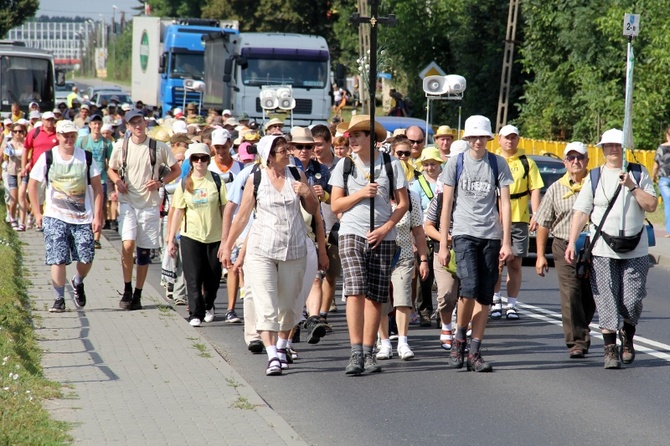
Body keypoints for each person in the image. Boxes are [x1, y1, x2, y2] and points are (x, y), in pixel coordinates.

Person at [221, 135, 319, 376]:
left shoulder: (296, 175)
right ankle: (272, 354)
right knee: (266, 302)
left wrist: (307, 192)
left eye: (288, 149)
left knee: (288, 305)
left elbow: (313, 210)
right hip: (261, 250)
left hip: (293, 249)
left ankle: (283, 346)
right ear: (269, 155)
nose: (289, 153)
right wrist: (227, 244)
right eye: (283, 150)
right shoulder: (257, 178)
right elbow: (242, 216)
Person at [565, 129, 657, 369]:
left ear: (624, 147)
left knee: (632, 299)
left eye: (617, 145)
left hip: (635, 247)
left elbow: (651, 204)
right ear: (602, 149)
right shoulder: (595, 177)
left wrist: (632, 186)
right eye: (608, 146)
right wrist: (571, 242)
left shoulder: (638, 172)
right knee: (606, 297)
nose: (613, 149)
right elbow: (581, 211)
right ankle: (610, 349)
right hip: (603, 247)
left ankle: (628, 336)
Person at [329, 114, 409, 375]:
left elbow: (403, 204)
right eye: (349, 135)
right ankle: (355, 352)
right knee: (355, 289)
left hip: (383, 236)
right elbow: (336, 204)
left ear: (371, 139)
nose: (350, 139)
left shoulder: (391, 164)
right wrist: (362, 193)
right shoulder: (344, 165)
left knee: (376, 295)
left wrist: (386, 228)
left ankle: (369, 351)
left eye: (357, 135)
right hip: (351, 232)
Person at [437, 115, 514, 373]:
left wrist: (506, 241)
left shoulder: (497, 163)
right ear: (467, 139)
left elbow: (504, 203)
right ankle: (460, 337)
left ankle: (475, 351)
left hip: (490, 235)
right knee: (467, 288)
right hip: (463, 233)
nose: (478, 141)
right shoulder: (456, 163)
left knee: (485, 294)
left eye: (482, 136)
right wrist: (443, 245)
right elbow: (446, 204)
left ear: (488, 138)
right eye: (474, 137)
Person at [107, 109, 180, 310]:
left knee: (144, 251)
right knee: (128, 244)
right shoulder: (121, 146)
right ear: (128, 127)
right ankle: (127, 287)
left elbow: (176, 170)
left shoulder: (159, 147)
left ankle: (138, 294)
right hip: (129, 201)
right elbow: (111, 169)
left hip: (149, 204)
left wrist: (160, 182)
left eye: (140, 122)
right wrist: (117, 181)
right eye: (133, 123)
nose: (138, 126)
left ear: (145, 123)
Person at [27, 120, 103, 312]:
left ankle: (78, 281)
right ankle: (59, 298)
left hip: (82, 216)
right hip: (55, 215)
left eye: (72, 136)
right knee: (58, 257)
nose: (68, 139)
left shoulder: (85, 157)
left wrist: (97, 216)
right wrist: (37, 212)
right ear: (58, 136)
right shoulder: (48, 157)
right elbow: (32, 185)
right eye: (65, 135)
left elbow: (97, 187)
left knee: (86, 257)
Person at [534, 142, 596, 359]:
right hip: (563, 245)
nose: (575, 162)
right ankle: (577, 341)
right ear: (565, 163)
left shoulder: (596, 184)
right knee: (571, 293)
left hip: (593, 245)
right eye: (571, 158)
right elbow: (544, 223)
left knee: (590, 294)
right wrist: (540, 255)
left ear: (588, 160)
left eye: (580, 157)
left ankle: (582, 326)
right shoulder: (556, 188)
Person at [167, 143, 228, 326]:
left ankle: (208, 304)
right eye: (195, 158)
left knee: (213, 278)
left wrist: (227, 238)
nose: (199, 161)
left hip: (215, 236)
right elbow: (177, 211)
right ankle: (195, 313)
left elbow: (225, 209)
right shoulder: (185, 182)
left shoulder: (216, 181)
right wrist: (171, 240)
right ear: (190, 161)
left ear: (208, 160)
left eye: (203, 158)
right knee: (193, 277)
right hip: (191, 235)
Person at [491, 125, 544, 320]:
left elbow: (535, 188)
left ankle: (511, 304)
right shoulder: (493, 160)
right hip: (496, 218)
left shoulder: (527, 162)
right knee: (497, 262)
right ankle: (495, 300)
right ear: (499, 139)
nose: (509, 141)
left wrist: (535, 213)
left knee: (515, 263)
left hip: (519, 218)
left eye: (513, 138)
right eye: (506, 138)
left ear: (518, 139)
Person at [424, 140, 470, 351]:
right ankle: (446, 326)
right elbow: (427, 226)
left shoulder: (478, 194)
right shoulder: (442, 195)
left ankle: (461, 330)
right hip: (445, 250)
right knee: (446, 294)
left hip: (470, 248)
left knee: (468, 293)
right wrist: (446, 240)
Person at [376, 190, 429, 360]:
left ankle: (402, 342)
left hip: (404, 255)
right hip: (379, 255)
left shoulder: (410, 197)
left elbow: (419, 231)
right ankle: (384, 343)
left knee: (403, 299)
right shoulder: (375, 194)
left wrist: (423, 259)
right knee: (380, 300)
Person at [76, 114, 113, 249]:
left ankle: (96, 238)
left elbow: (110, 163)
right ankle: (84, 233)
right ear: (90, 125)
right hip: (84, 179)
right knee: (84, 206)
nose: (97, 126)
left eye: (99, 123)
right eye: (94, 124)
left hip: (101, 178)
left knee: (99, 207)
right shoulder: (83, 141)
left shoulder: (106, 143)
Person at [2, 123, 28, 230]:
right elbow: (5, 157)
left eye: (20, 131)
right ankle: (12, 218)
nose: (18, 133)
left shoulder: (26, 144)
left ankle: (22, 222)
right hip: (12, 172)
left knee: (22, 197)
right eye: (16, 131)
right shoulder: (9, 144)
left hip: (23, 173)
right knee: (14, 198)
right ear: (12, 133)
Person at [652, 125, 670, 237]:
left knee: (668, 204)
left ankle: (669, 231)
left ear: (667, 135)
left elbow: (655, 166)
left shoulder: (662, 148)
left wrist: (652, 177)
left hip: (664, 180)